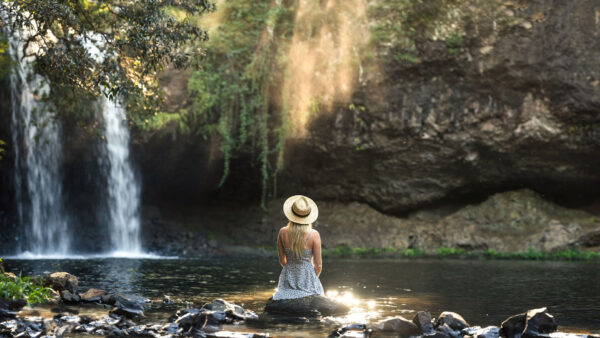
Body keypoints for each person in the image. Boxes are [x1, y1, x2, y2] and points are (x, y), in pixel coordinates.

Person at [272, 195, 324, 300]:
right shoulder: (314, 234)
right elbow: (318, 265)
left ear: (291, 214)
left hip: (287, 279)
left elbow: (282, 261)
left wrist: (292, 274)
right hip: (308, 279)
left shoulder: (282, 232)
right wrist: (312, 279)